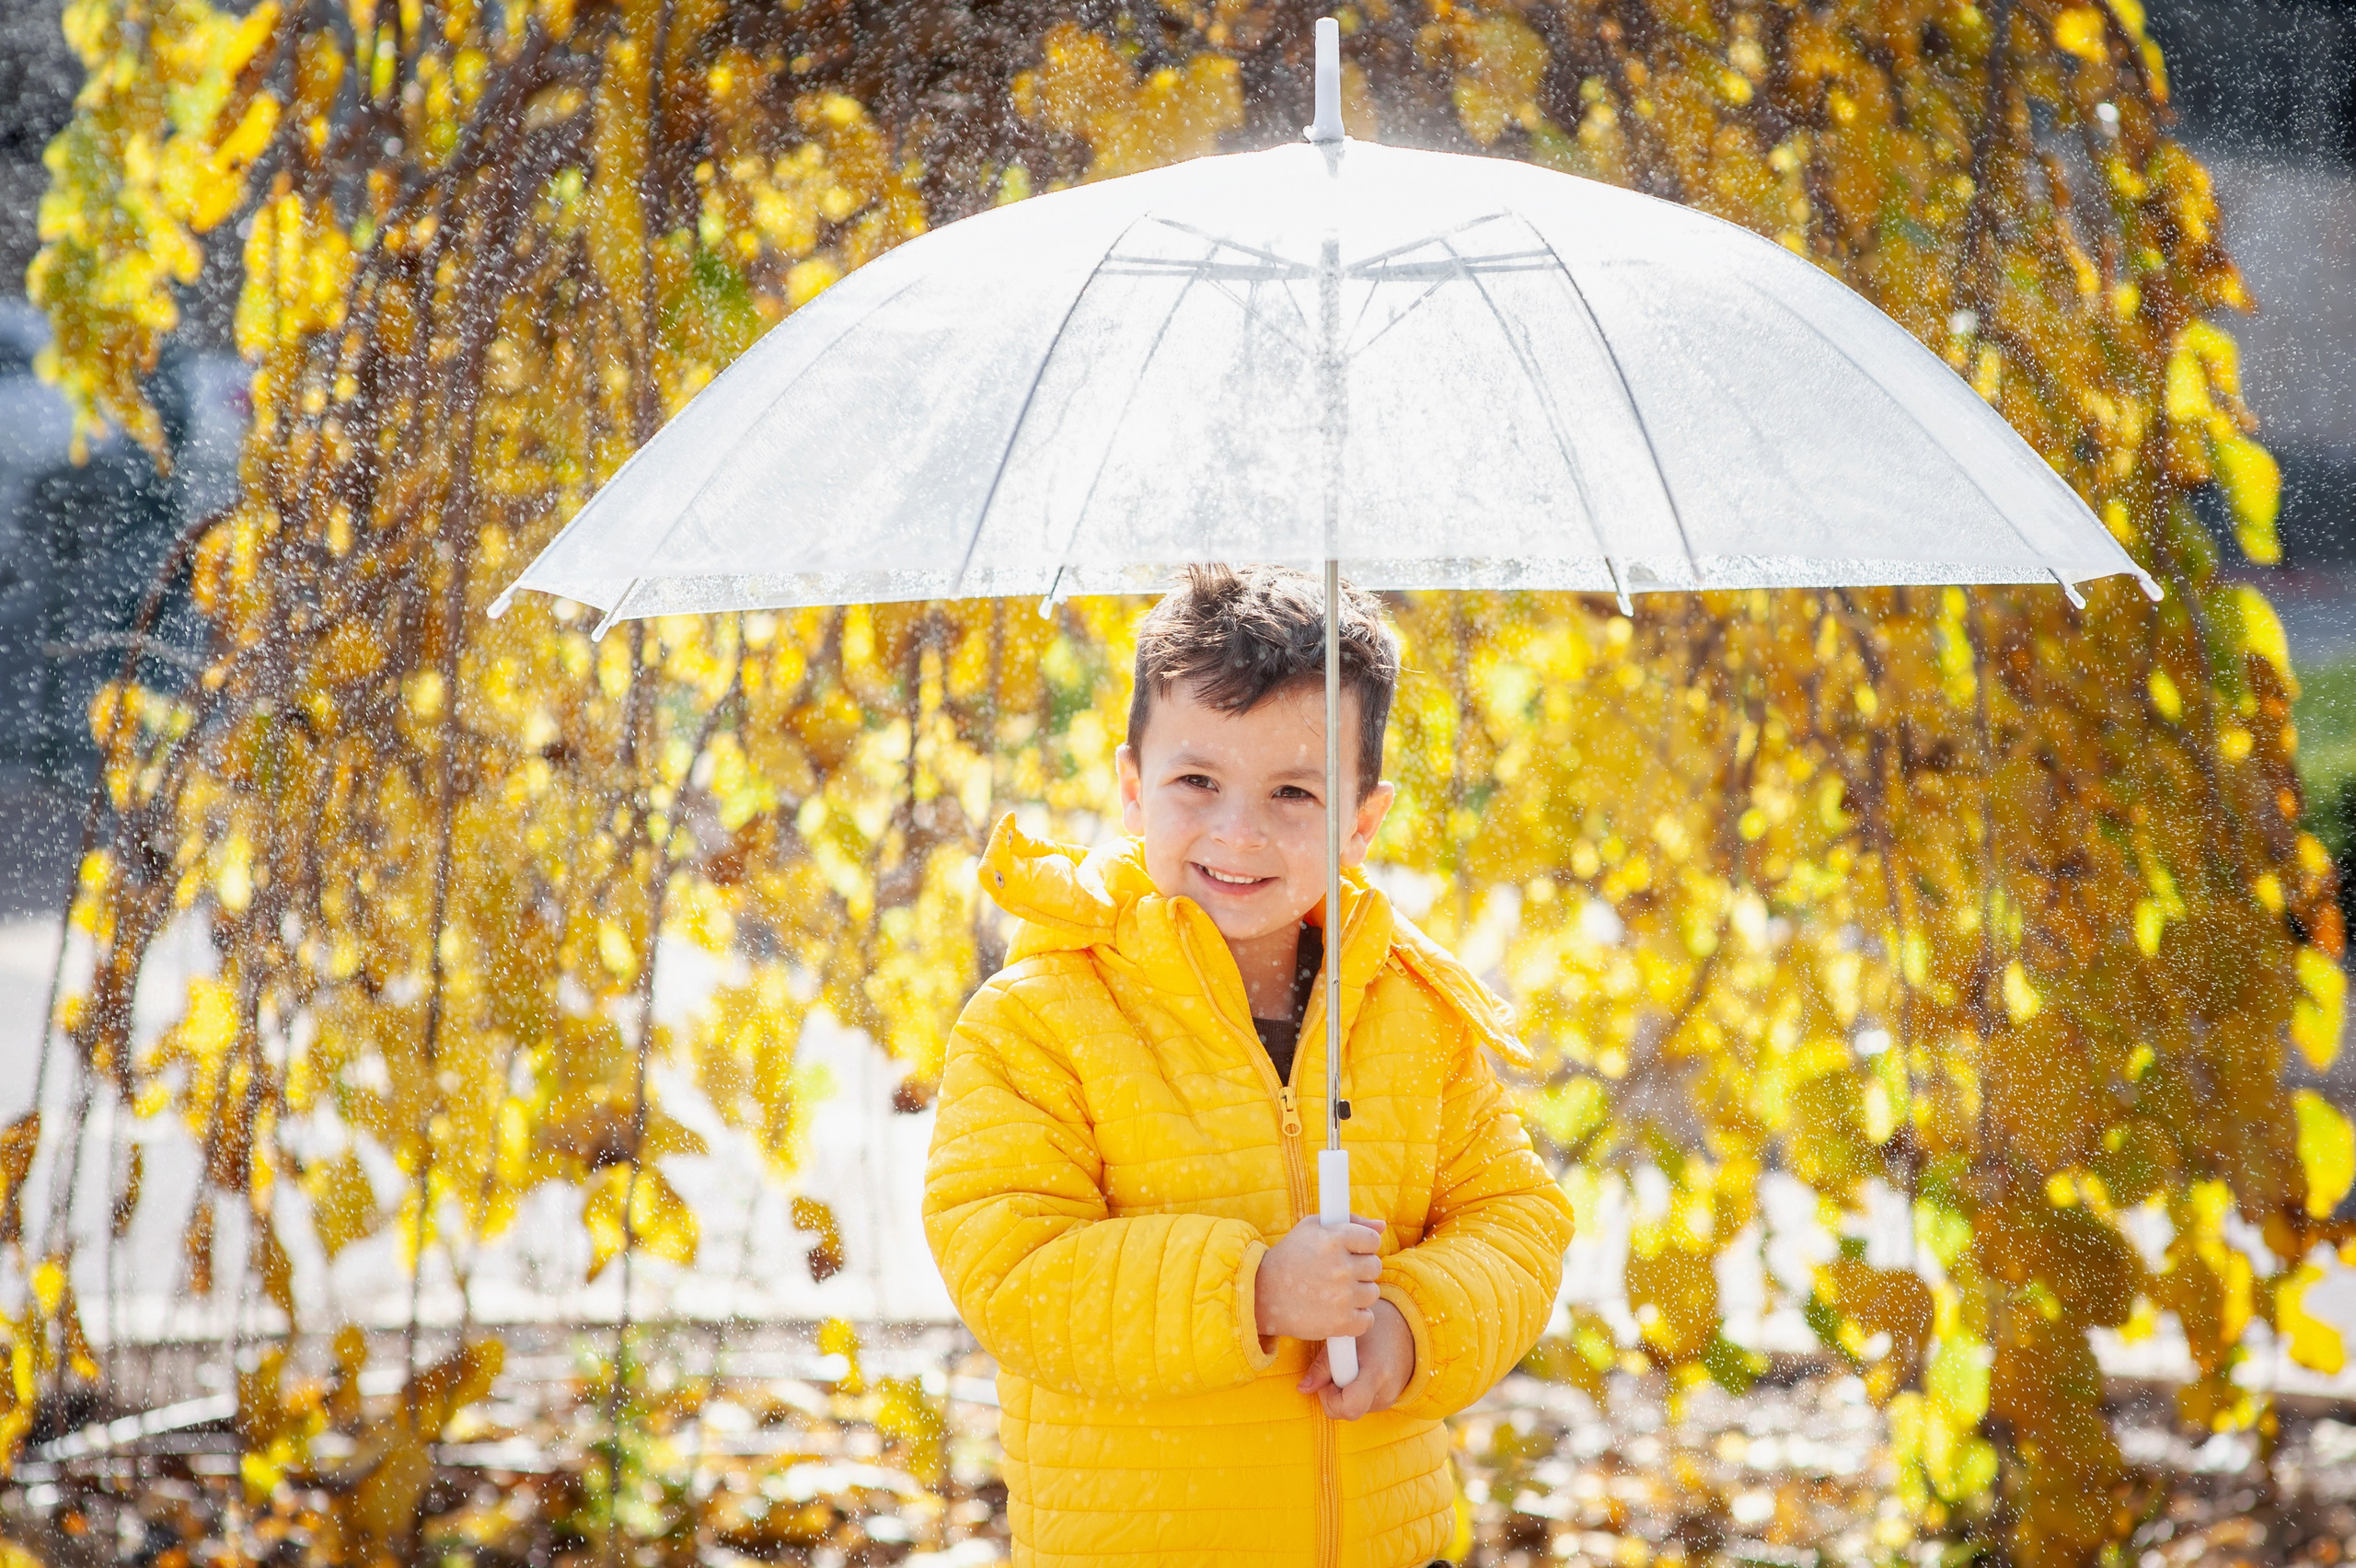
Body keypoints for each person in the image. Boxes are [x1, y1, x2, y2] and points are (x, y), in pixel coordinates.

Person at [923, 564, 1576, 1567]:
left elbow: (1515, 1220)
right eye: (1197, 783)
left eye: (1292, 793)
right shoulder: (1039, 1021)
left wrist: (1411, 1323)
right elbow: (1012, 1270)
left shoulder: (1408, 1012)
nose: (1238, 831)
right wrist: (1254, 1290)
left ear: (1360, 821)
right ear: (1133, 788)